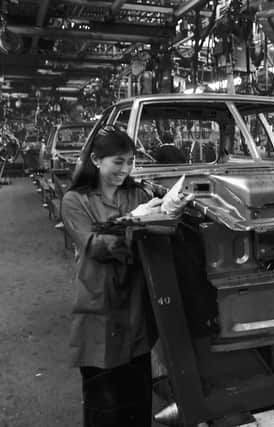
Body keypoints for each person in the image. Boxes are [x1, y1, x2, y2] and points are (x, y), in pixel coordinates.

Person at [61, 125, 190, 427]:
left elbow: (160, 228)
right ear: (96, 160)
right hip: (99, 307)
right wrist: (135, 222)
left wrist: (169, 208)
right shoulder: (75, 201)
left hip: (134, 306)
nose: (125, 169)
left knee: (137, 400)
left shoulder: (136, 192)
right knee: (104, 407)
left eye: (130, 161)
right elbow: (95, 247)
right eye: (118, 162)